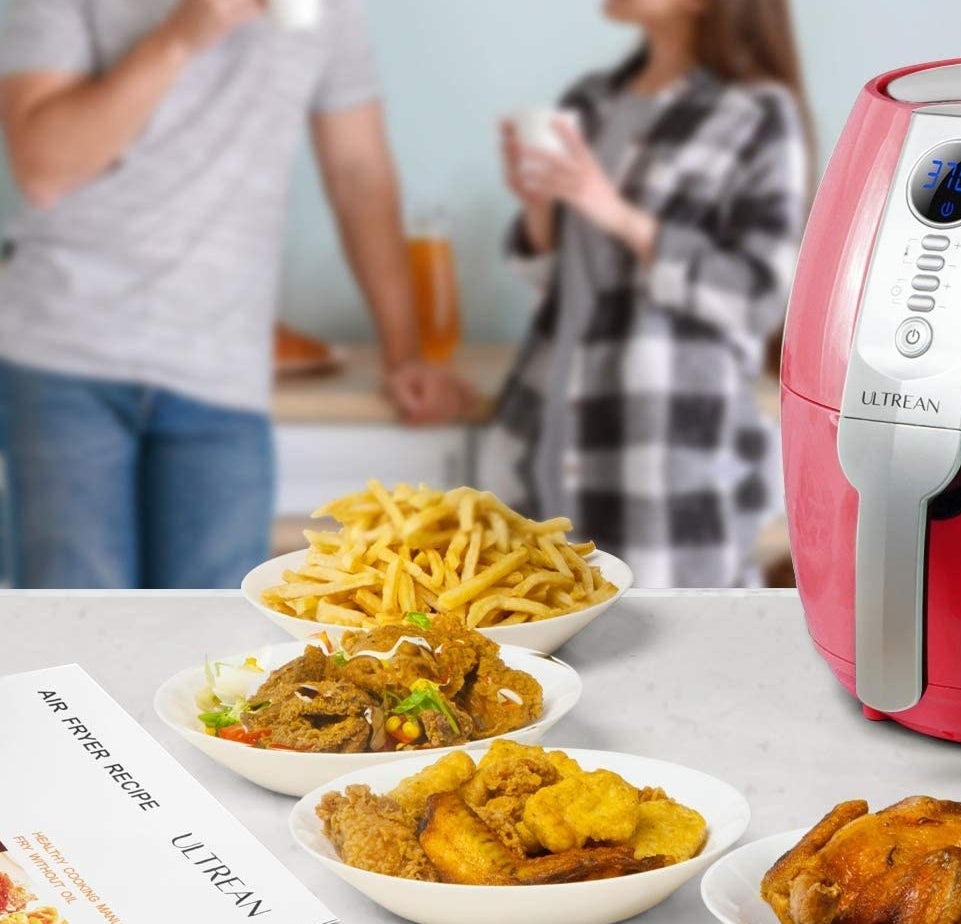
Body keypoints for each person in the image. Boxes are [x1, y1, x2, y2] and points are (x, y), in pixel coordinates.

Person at [0, 0, 470, 589]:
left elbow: (359, 174)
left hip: (222, 369)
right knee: (77, 637)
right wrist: (182, 35)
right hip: (64, 354)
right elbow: (44, 170)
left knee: (214, 647)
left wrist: (405, 356)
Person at [497, 0, 811, 588]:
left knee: (678, 659)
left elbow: (761, 293)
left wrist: (619, 216)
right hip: (553, 439)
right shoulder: (592, 100)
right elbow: (566, 284)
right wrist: (540, 209)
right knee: (553, 660)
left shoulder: (756, 114)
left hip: (665, 456)